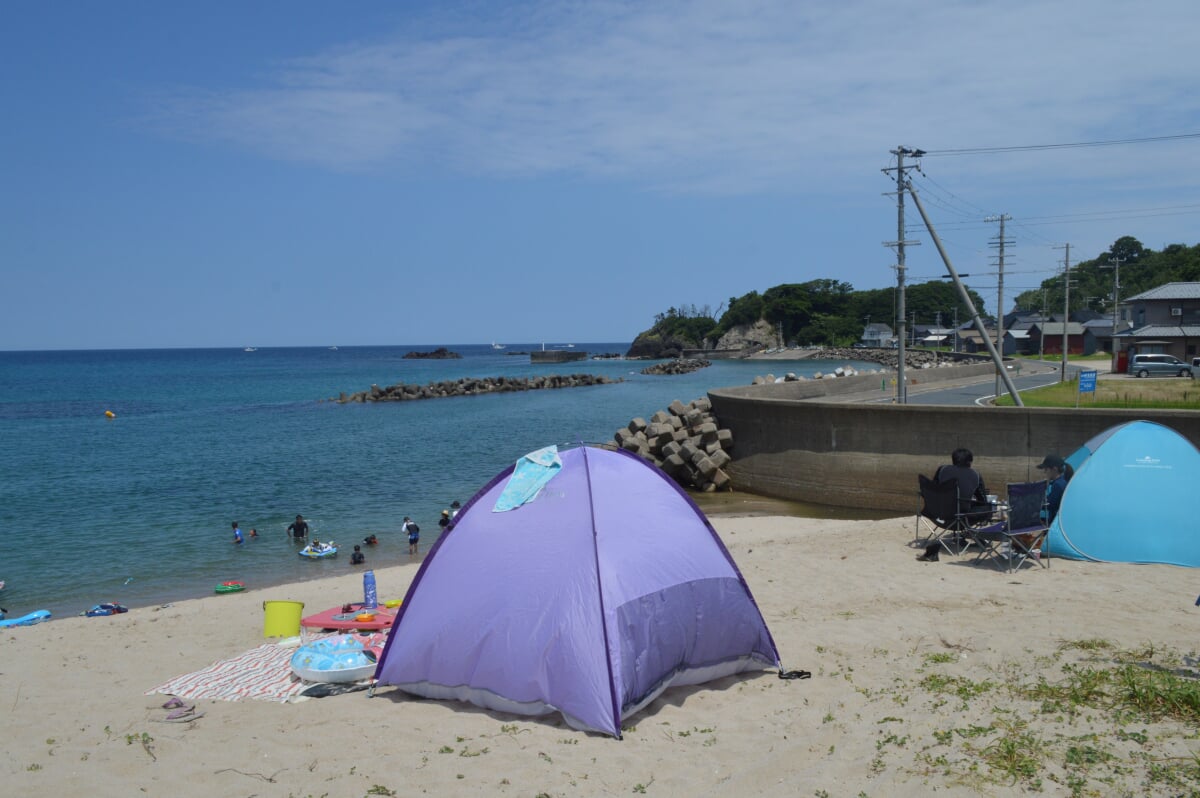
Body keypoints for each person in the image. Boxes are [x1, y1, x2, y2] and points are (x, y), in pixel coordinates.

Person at [933, 447, 993, 523]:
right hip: (962, 519)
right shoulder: (976, 475)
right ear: (969, 462)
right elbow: (982, 501)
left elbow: (933, 489)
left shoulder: (942, 469)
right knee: (987, 507)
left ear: (953, 460)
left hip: (939, 517)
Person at [1036, 454, 1070, 524]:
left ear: (1054, 469)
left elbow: (1048, 505)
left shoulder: (1058, 485)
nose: (1044, 472)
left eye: (1046, 469)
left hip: (1054, 522)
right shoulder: (1063, 481)